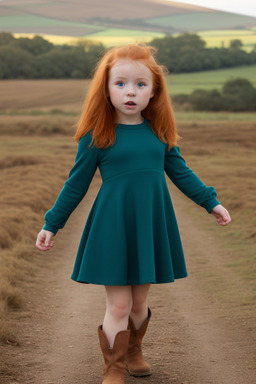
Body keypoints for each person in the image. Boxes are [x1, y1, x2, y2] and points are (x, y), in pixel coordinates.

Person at [36, 44, 231, 384]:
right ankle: (113, 366)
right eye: (121, 83)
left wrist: (210, 202)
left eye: (141, 84)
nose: (130, 92)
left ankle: (133, 351)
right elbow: (75, 185)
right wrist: (52, 223)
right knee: (120, 306)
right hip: (113, 227)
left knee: (139, 304)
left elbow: (182, 173)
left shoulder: (159, 133)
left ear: (154, 91)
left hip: (149, 226)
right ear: (107, 88)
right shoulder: (96, 135)